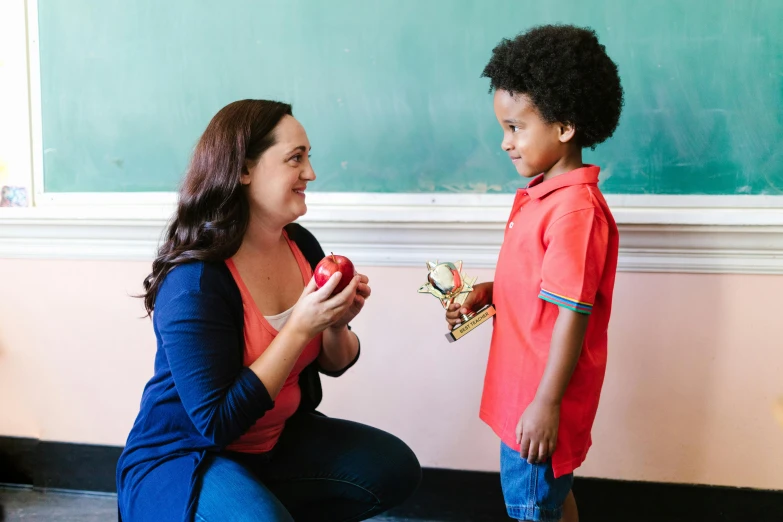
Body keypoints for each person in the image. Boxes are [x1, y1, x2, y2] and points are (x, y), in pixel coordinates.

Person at [117, 99, 421, 522]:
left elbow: (335, 363)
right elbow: (217, 423)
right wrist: (298, 328)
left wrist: (336, 323)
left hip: (273, 444)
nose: (311, 173)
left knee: (393, 467)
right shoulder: (195, 281)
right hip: (189, 457)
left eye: (309, 157)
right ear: (243, 170)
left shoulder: (301, 245)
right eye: (295, 158)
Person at [446, 25, 623, 522]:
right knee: (549, 501)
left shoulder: (573, 212)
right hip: (522, 395)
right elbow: (539, 288)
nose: (505, 143)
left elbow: (572, 313)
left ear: (564, 127)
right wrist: (489, 292)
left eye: (515, 127)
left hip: (536, 406)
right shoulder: (545, 196)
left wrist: (546, 404)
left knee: (530, 506)